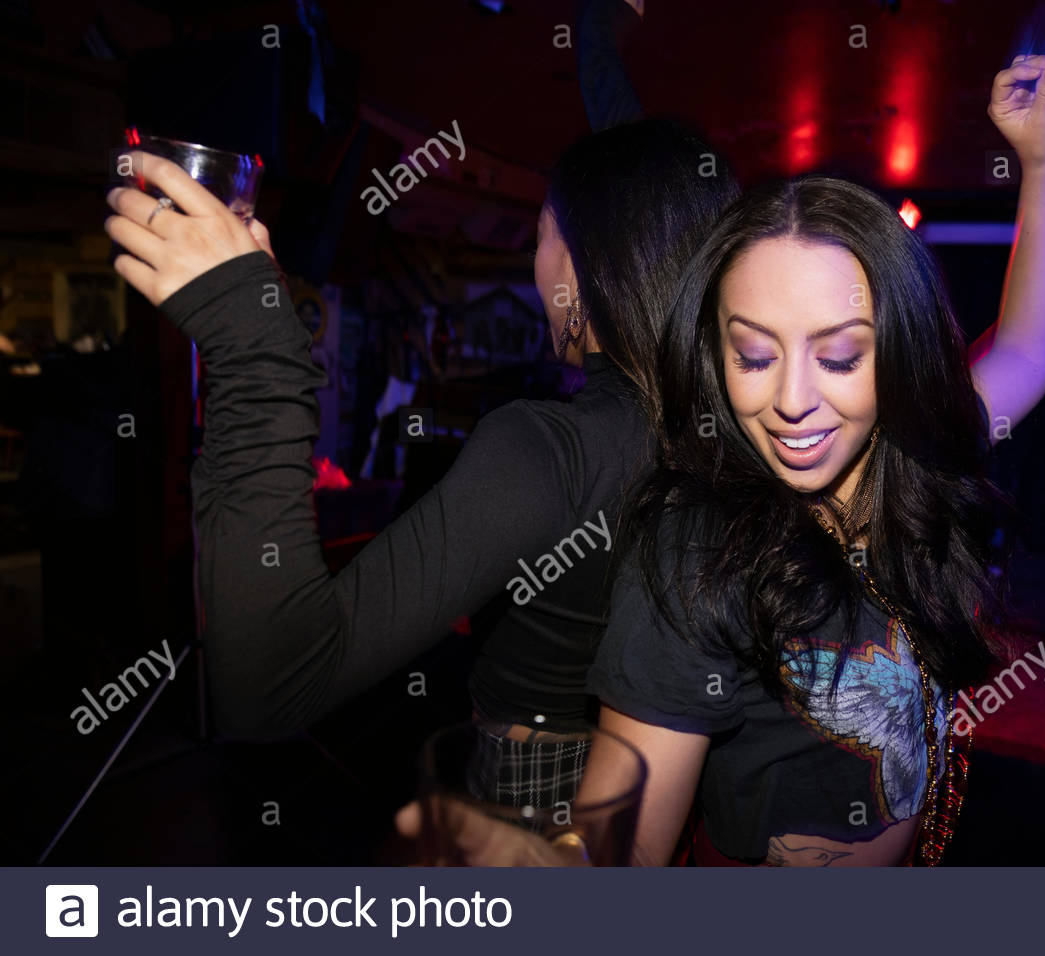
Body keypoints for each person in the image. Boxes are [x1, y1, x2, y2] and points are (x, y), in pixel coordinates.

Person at [102, 114, 740, 807]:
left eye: (539, 239)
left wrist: (255, 350)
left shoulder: (546, 449)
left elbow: (269, 688)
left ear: (587, 273)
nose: (536, 267)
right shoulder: (735, 432)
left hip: (526, 808)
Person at [581, 54, 1045, 866]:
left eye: (841, 357)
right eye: (753, 354)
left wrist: (1043, 159)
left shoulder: (910, 454)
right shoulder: (695, 549)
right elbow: (614, 861)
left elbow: (1029, 342)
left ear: (901, 355)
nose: (791, 400)